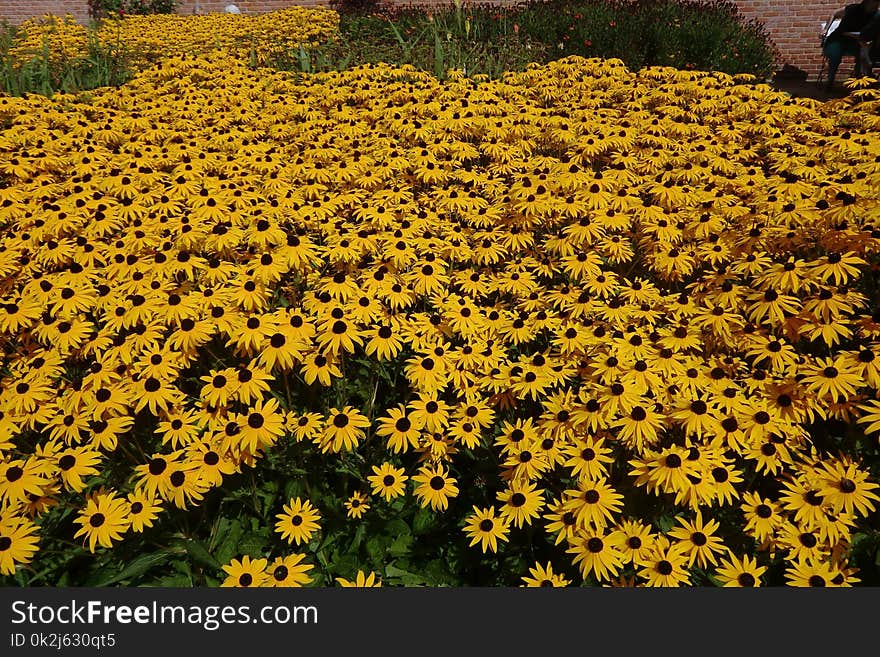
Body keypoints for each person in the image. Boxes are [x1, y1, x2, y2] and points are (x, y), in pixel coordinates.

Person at [823, 0, 880, 90]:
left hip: (857, 40)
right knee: (834, 54)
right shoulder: (852, 9)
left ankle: (859, 82)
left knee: (862, 56)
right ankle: (830, 79)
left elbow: (870, 33)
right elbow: (834, 13)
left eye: (878, 3)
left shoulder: (876, 15)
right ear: (866, 2)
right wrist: (826, 29)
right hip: (838, 37)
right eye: (874, 2)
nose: (876, 5)